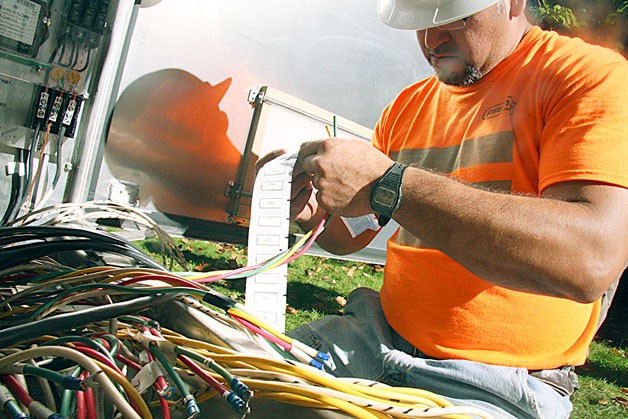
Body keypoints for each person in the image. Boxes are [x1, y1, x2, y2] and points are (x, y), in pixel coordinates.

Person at [256, 0, 628, 417]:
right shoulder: (408, 106)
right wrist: (312, 214)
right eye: (420, 23)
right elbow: (353, 234)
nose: (432, 40)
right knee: (224, 388)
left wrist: (391, 184)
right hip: (375, 336)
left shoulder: (586, 77)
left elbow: (591, 260)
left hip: (499, 382)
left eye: (454, 17)